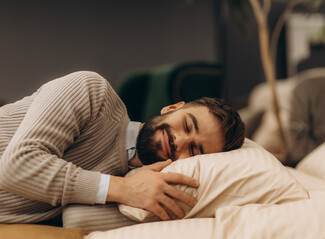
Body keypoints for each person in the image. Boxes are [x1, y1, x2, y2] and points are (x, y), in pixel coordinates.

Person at [0, 71, 245, 227]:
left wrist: (129, 190)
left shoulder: (139, 186)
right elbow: (16, 166)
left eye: (194, 150)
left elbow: (76, 219)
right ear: (171, 108)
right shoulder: (92, 92)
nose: (179, 141)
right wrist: (122, 188)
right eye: (186, 125)